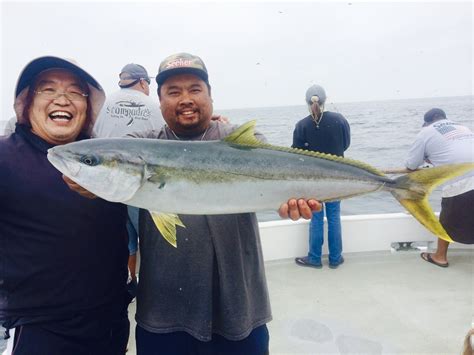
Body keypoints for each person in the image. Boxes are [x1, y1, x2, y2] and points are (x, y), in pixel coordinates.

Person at [127, 52, 320, 355]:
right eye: (173, 92)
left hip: (239, 309)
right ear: (159, 101)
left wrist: (292, 203)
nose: (185, 99)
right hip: (163, 312)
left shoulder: (243, 139)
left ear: (211, 96)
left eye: (195, 89)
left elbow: (278, 180)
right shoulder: (141, 144)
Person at [0, 56, 130, 354]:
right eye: (48, 89)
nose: (62, 99)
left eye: (75, 92)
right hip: (40, 330)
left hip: (110, 325)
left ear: (88, 107)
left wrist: (216, 137)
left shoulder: (109, 158)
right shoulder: (5, 157)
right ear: (27, 103)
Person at [93, 63, 165, 289]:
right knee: (153, 240)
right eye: (149, 84)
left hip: (106, 188)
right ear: (143, 82)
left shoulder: (104, 104)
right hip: (142, 186)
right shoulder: (154, 106)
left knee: (125, 242)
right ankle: (154, 287)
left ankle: (128, 283)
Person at [406, 108, 474, 267]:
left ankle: (440, 257)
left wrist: (429, 159)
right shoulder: (463, 128)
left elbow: (411, 166)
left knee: (446, 221)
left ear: (427, 122)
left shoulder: (425, 132)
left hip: (460, 180)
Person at [292, 84, 351, 269]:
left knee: (316, 218)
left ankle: (315, 258)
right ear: (325, 100)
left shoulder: (301, 125)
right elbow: (346, 144)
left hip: (312, 182)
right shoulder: (339, 120)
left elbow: (296, 155)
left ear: (307, 103)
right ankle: (335, 258)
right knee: (334, 217)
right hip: (337, 179)